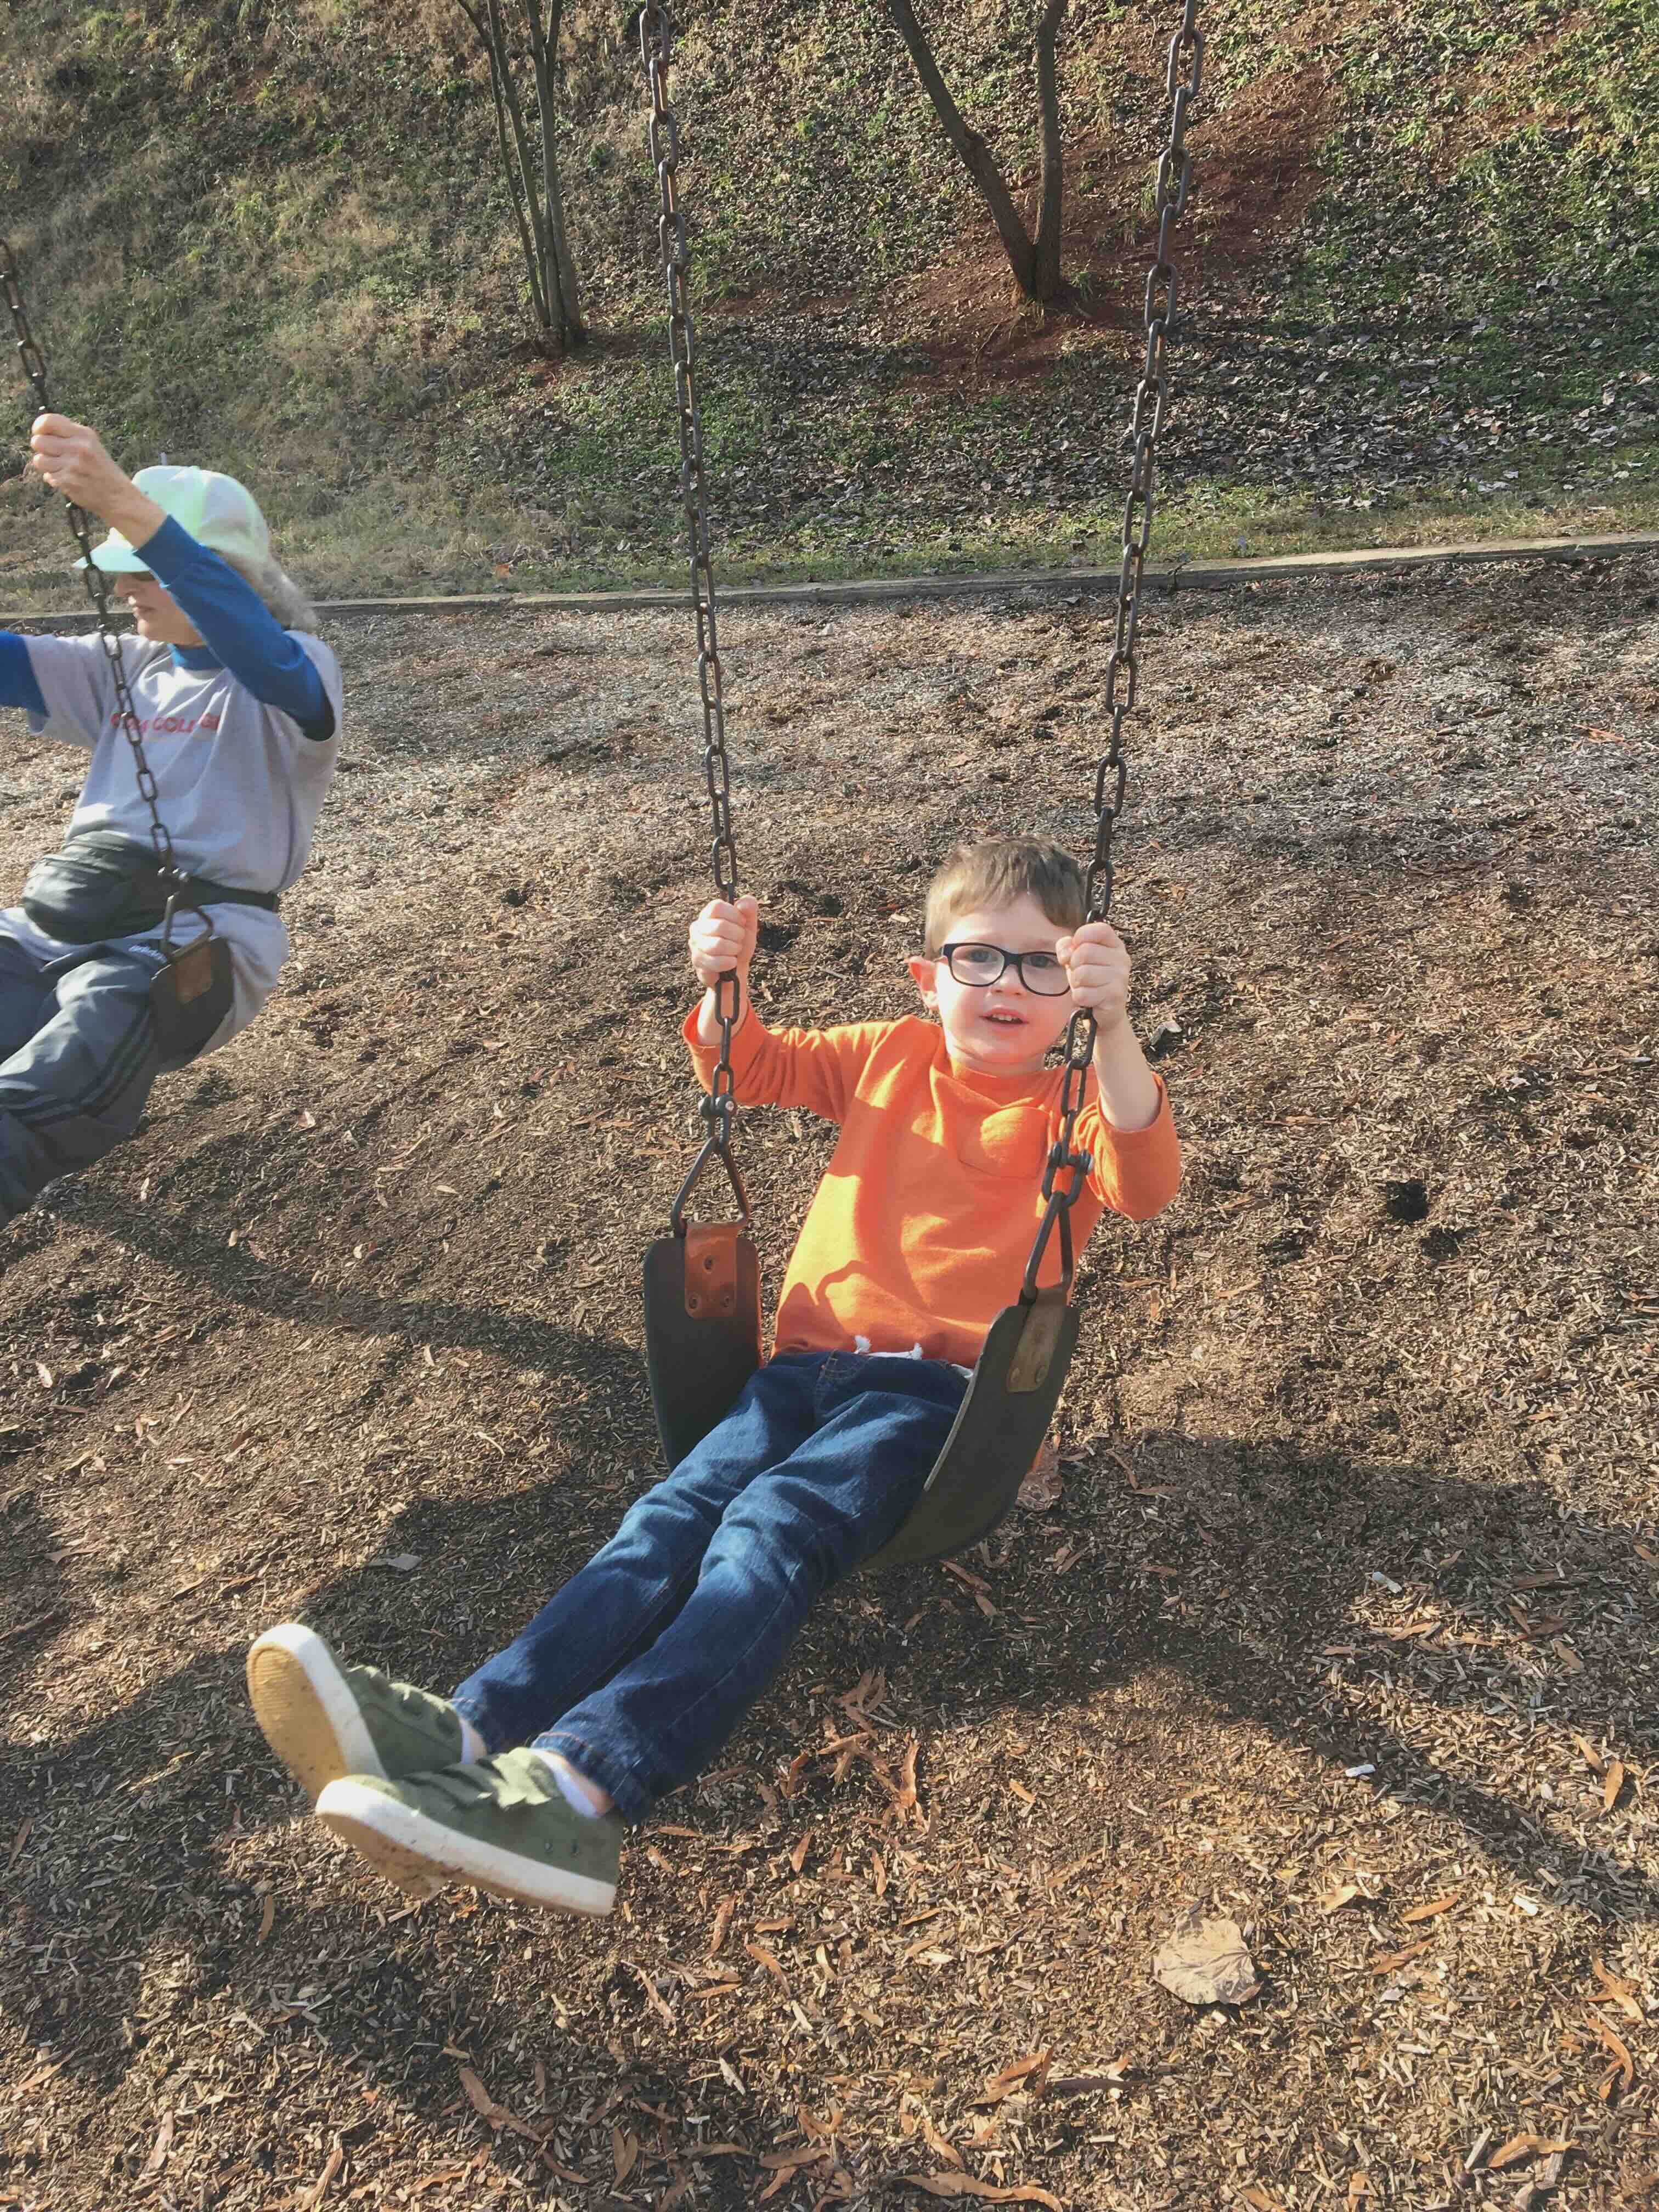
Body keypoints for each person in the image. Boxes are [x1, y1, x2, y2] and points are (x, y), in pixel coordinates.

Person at [247, 837, 1181, 1916]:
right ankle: (465, 1729)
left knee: (769, 1529)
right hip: (800, 1373)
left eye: (1044, 965)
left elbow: (1145, 1181)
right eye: (979, 959)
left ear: (1080, 989)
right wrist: (722, 983)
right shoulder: (889, 1054)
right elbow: (748, 1068)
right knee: (670, 1514)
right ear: (930, 979)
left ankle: (580, 1785)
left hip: (940, 1400)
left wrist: (1114, 1033)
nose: (1008, 986)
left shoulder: (1076, 1107)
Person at [0, 414, 341, 1224]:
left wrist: (121, 501)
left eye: (142, 570)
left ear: (215, 574)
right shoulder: (129, 668)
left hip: (192, 935)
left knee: (93, 1031)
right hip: (61, 920)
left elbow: (258, 648)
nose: (124, 589)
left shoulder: (294, 676)